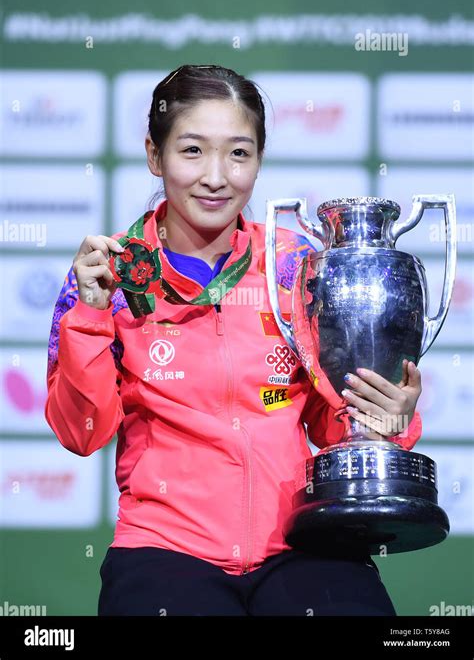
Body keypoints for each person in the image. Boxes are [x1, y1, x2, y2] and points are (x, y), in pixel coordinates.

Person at [45, 64, 423, 616]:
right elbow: (82, 432)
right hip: (165, 549)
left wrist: (385, 416)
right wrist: (90, 315)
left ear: (259, 161)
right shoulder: (113, 276)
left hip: (301, 538)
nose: (216, 177)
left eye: (239, 153)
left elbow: (326, 421)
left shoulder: (298, 267)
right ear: (155, 156)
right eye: (192, 150)